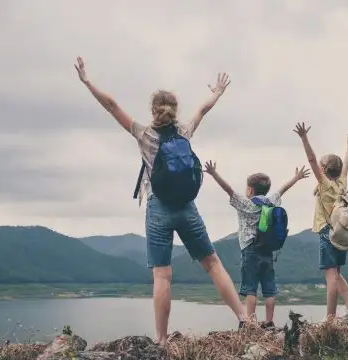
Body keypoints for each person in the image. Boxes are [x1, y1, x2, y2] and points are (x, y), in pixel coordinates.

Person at [74, 57, 247, 345]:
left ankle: (162, 339)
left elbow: (112, 106)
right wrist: (217, 92)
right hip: (187, 207)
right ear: (174, 110)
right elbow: (203, 109)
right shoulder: (184, 132)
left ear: (153, 111)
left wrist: (87, 82)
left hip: (158, 208)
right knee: (213, 263)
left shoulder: (145, 135)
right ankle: (244, 319)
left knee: (163, 276)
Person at [203, 159, 310, 328]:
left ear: (249, 189)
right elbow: (282, 190)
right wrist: (296, 178)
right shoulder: (271, 201)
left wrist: (214, 173)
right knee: (269, 289)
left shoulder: (246, 204)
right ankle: (269, 322)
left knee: (250, 288)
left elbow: (229, 190)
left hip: (250, 250)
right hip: (268, 250)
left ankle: (250, 323)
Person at [293, 122, 348, 320]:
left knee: (331, 276)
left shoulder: (325, 184)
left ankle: (330, 318)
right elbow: (346, 164)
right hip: (341, 232)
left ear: (323, 170)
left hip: (327, 231)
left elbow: (311, 159)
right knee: (337, 273)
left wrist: (304, 138)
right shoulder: (342, 183)